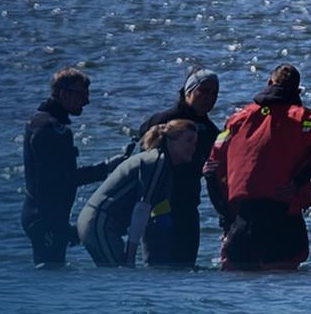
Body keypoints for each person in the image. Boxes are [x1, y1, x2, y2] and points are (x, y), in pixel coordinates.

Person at [203, 64, 311, 271]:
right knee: (283, 285)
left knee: (237, 283)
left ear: (269, 83)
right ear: (297, 90)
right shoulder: (303, 118)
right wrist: (298, 180)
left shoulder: (238, 120)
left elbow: (211, 169)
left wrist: (225, 216)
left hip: (242, 219)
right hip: (283, 218)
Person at [21, 67, 120, 269]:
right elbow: (63, 179)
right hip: (45, 219)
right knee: (50, 277)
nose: (86, 101)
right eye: (82, 95)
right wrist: (106, 168)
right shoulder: (52, 129)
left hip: (41, 215)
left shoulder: (39, 121)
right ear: (64, 93)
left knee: (50, 274)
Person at [123, 66, 221, 266]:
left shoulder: (211, 132)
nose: (210, 97)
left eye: (214, 93)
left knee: (185, 271)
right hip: (158, 206)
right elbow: (138, 161)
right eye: (204, 91)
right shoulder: (163, 120)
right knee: (158, 269)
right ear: (188, 92)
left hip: (188, 207)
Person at [77, 120, 202, 267]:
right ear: (171, 140)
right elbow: (142, 209)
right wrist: (131, 257)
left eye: (195, 143)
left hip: (106, 225)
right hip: (99, 221)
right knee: (118, 274)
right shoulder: (156, 161)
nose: (193, 148)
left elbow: (158, 212)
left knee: (118, 276)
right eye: (188, 141)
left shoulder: (165, 167)